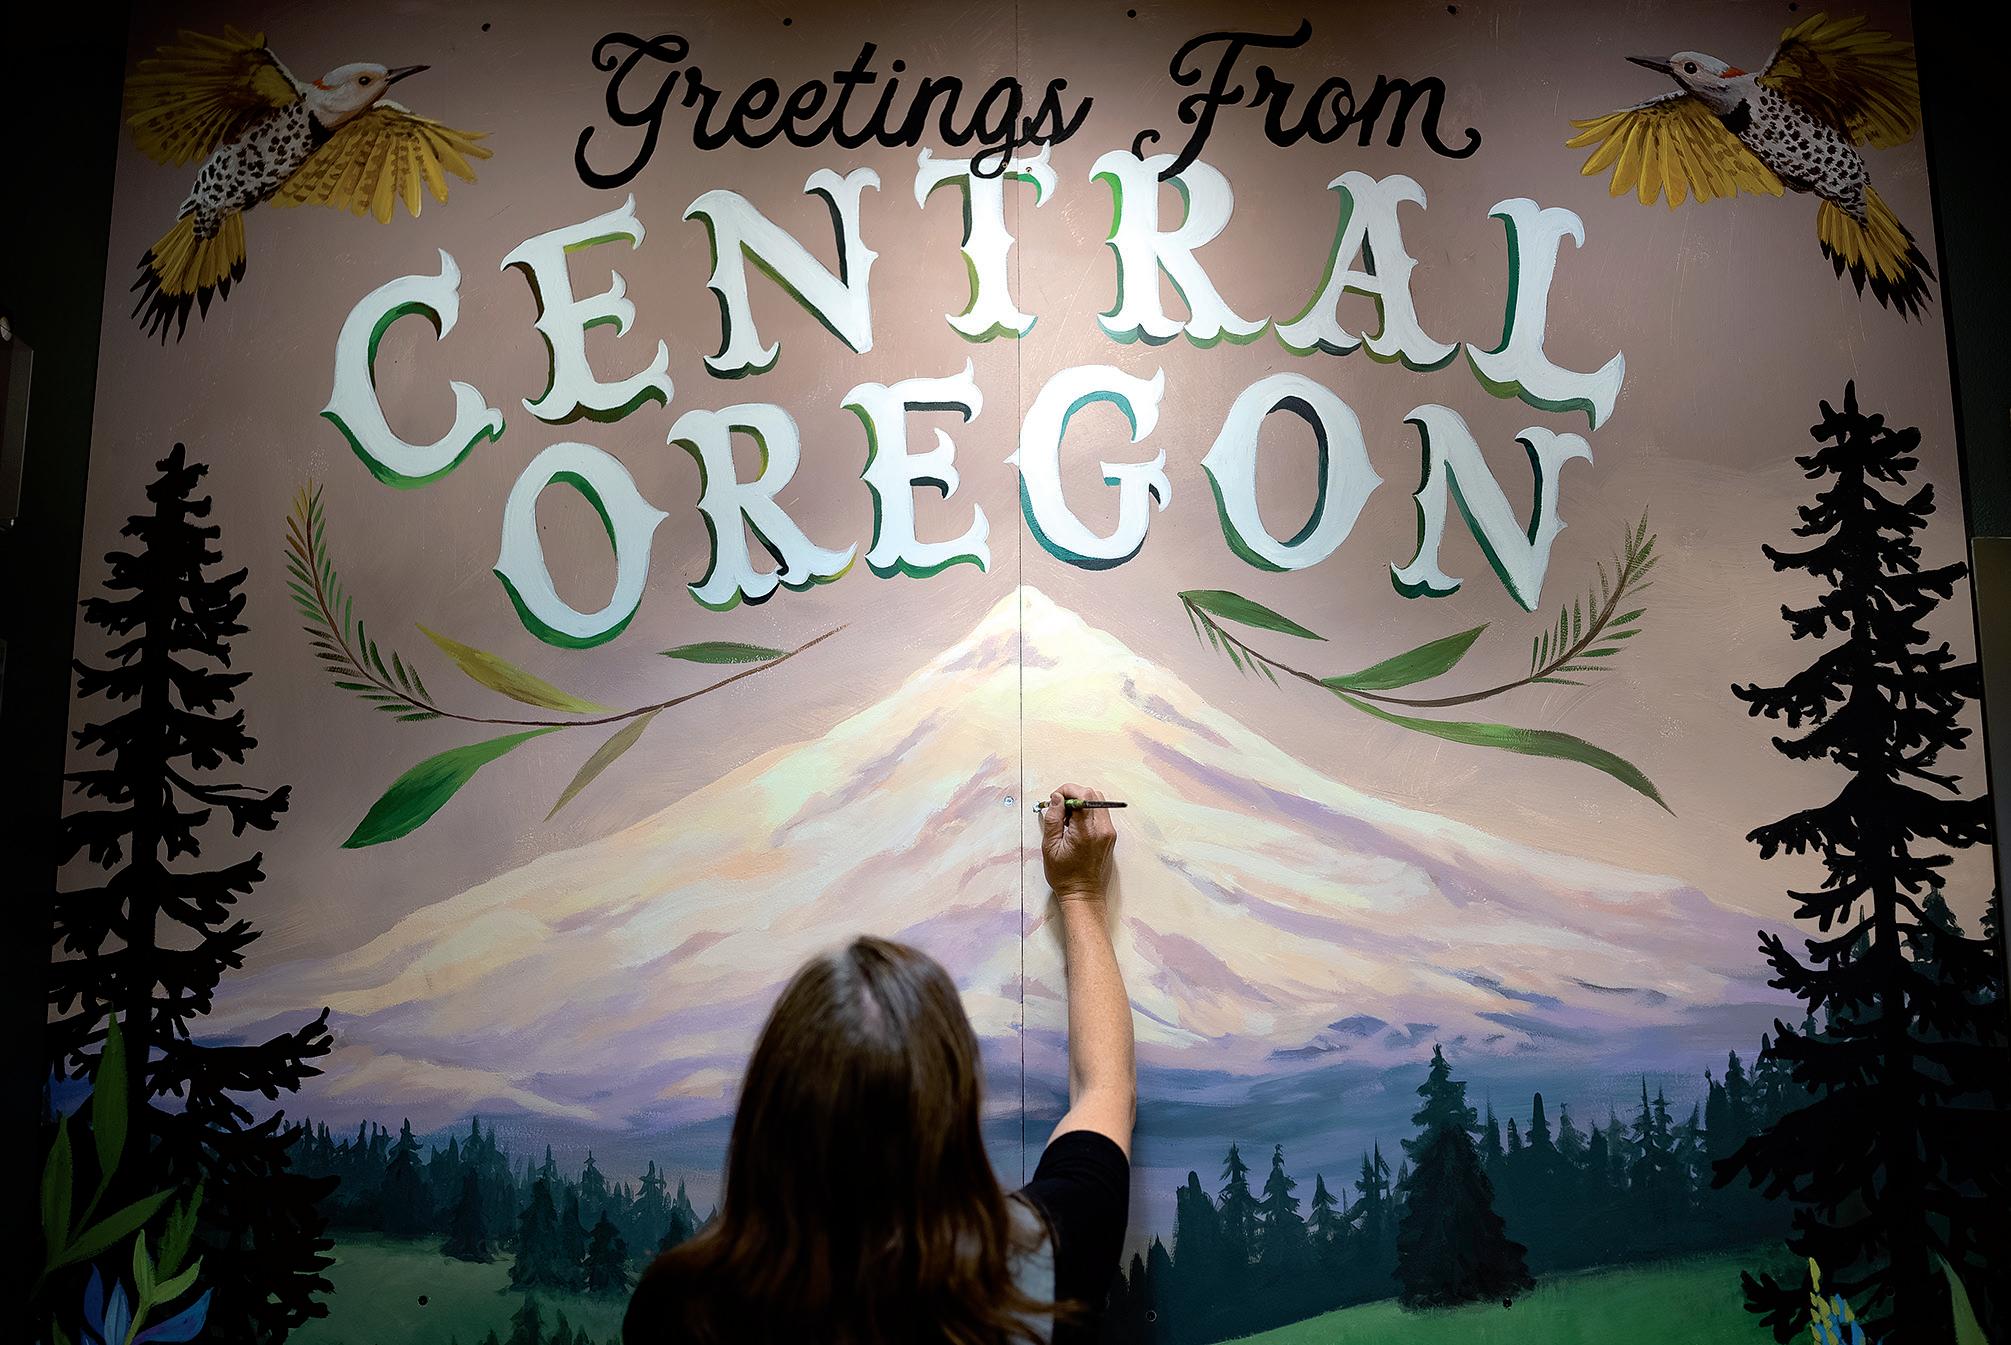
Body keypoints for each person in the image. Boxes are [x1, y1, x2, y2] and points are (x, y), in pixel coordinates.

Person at [622, 782, 1134, 1345]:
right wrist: (1080, 894)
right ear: (956, 1105)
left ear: (768, 1103)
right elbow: (1105, 1090)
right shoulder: (1033, 1264)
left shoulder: (680, 1306)